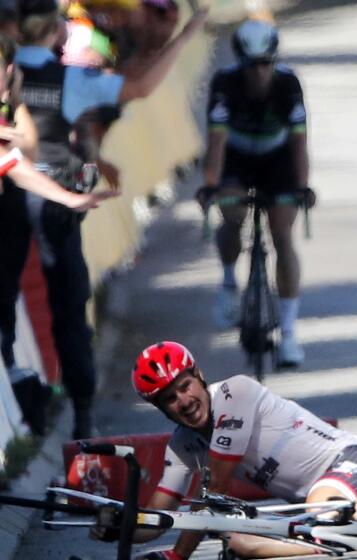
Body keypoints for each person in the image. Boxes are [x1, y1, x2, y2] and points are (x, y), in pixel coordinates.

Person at [0, 0, 207, 440]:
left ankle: (18, 400)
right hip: (56, 195)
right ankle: (81, 414)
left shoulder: (8, 70)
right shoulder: (72, 79)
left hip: (10, 193)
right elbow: (141, 85)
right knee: (69, 308)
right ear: (55, 30)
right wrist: (188, 35)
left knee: (3, 303)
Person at [95, 341, 357, 559]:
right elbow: (160, 515)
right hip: (311, 503)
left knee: (327, 508)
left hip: (347, 462)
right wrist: (120, 525)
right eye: (169, 399)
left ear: (199, 376)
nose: (184, 401)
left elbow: (215, 490)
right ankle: (342, 543)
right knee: (240, 542)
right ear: (160, 408)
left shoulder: (236, 392)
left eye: (184, 386)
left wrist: (177, 557)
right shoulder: (183, 444)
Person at [198, 19, 314, 368]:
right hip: (237, 158)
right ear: (241, 63)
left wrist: (303, 186)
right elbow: (216, 143)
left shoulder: (289, 84)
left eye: (267, 63)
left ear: (275, 60)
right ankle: (230, 281)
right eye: (253, 65)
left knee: (282, 234)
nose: (260, 72)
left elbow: (299, 142)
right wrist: (210, 185)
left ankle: (290, 334)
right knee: (232, 216)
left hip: (276, 159)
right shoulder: (225, 83)